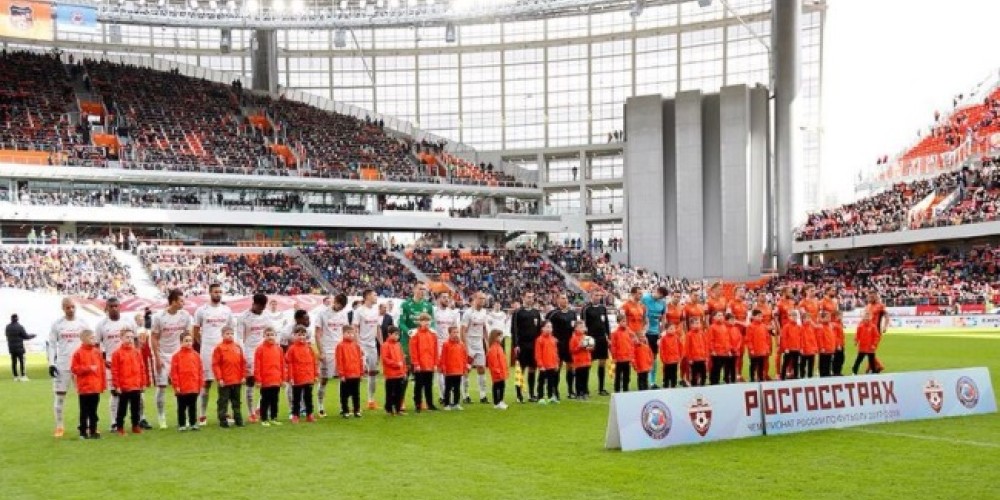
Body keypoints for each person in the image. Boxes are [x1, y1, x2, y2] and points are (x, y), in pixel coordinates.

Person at [192, 283, 234, 426]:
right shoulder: (201, 310)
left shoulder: (227, 310)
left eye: (220, 292)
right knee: (206, 383)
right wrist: (203, 342)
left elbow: (230, 329)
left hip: (224, 350)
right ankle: (202, 414)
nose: (218, 294)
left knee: (225, 382)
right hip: (207, 350)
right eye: (216, 292)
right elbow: (195, 330)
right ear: (210, 293)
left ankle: (225, 412)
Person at [152, 289, 193, 429]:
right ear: (173, 301)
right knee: (162, 386)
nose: (183, 303)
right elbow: (154, 337)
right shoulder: (159, 316)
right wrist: (157, 357)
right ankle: (161, 416)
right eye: (181, 300)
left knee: (183, 387)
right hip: (163, 354)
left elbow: (188, 334)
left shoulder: (185, 315)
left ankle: (185, 417)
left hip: (179, 355)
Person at [48, 297, 89, 438]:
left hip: (80, 365)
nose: (71, 310)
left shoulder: (82, 323)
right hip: (63, 365)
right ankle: (59, 426)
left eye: (72, 307)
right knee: (60, 396)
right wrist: (51, 364)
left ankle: (86, 425)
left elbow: (89, 341)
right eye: (68, 307)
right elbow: (52, 344)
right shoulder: (57, 325)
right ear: (63, 308)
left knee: (85, 397)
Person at [96, 297, 136, 431]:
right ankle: (114, 422)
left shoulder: (128, 322)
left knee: (136, 393)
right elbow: (97, 345)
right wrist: (103, 359)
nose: (114, 309)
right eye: (111, 306)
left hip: (129, 363)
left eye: (116, 306)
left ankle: (139, 419)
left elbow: (135, 341)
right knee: (115, 393)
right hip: (111, 363)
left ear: (120, 307)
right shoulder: (101, 325)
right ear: (106, 308)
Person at [397, 283, 435, 406]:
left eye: (424, 289)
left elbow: (432, 322)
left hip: (423, 345)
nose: (422, 291)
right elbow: (400, 322)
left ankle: (419, 401)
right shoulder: (405, 305)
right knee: (405, 374)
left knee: (421, 375)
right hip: (407, 344)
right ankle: (400, 401)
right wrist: (409, 331)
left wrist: (432, 330)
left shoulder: (428, 306)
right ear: (414, 289)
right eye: (420, 289)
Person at [239, 293, 271, 422]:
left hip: (264, 352)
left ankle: (259, 407)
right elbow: (240, 338)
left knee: (267, 381)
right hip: (250, 352)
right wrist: (244, 356)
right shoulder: (243, 317)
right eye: (259, 307)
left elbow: (271, 332)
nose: (261, 310)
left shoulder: (266, 315)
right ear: (254, 304)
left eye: (263, 308)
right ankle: (251, 412)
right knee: (251, 381)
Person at [315, 294, 348, 417]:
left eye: (343, 307)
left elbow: (346, 332)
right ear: (335, 301)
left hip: (341, 350)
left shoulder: (343, 314)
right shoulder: (322, 314)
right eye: (339, 305)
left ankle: (342, 406)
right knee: (324, 379)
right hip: (327, 350)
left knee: (343, 378)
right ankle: (320, 406)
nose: (340, 308)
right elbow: (317, 334)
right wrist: (321, 351)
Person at [111, 332, 147, 436]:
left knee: (136, 408)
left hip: (135, 385)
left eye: (131, 337)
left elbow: (142, 368)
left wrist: (143, 382)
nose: (129, 339)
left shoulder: (137, 352)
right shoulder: (117, 353)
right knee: (122, 408)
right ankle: (120, 427)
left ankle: (135, 425)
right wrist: (116, 385)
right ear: (121, 338)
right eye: (127, 337)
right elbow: (115, 371)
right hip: (124, 386)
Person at [70, 330, 105, 439]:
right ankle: (83, 432)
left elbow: (101, 370)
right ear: (84, 339)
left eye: (94, 337)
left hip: (95, 387)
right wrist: (88, 369)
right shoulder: (78, 353)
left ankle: (94, 430)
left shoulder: (97, 352)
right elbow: (74, 369)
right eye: (91, 338)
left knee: (94, 411)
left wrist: (102, 385)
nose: (94, 340)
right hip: (85, 388)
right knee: (84, 411)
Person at [351, 289, 382, 411]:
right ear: (368, 296)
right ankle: (354, 401)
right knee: (357, 374)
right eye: (375, 294)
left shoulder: (376, 310)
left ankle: (371, 400)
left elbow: (378, 328)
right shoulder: (359, 311)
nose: (376, 296)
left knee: (373, 373)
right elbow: (355, 327)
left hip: (372, 346)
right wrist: (358, 345)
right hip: (362, 346)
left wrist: (382, 344)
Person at [510, 291, 543, 402]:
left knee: (533, 369)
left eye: (532, 297)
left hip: (534, 345)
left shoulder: (536, 313)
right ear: (523, 298)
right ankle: (519, 395)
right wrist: (515, 345)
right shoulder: (518, 312)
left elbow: (539, 330)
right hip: (522, 345)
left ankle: (531, 394)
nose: (530, 299)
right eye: (528, 297)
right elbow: (514, 330)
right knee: (521, 370)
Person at [212, 326, 246, 428]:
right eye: (227, 333)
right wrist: (219, 378)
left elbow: (242, 363)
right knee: (223, 401)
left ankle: (238, 419)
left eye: (231, 333)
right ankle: (223, 421)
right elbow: (216, 364)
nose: (230, 335)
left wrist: (243, 376)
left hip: (236, 380)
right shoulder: (219, 348)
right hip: (225, 381)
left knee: (236, 401)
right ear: (222, 335)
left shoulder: (237, 347)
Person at [545, 293, 577, 399]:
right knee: (557, 368)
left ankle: (571, 390)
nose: (565, 300)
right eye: (563, 298)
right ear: (558, 300)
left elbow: (575, 329)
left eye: (566, 298)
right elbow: (546, 327)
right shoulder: (553, 314)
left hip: (570, 345)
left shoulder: (572, 313)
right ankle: (555, 391)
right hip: (558, 345)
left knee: (571, 368)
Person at [460, 292, 490, 404]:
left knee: (481, 368)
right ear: (475, 299)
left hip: (479, 343)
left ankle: (483, 395)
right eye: (481, 298)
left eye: (484, 299)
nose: (483, 301)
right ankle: (466, 395)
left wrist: (487, 344)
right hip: (469, 342)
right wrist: (465, 346)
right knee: (466, 369)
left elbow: (484, 329)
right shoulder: (468, 313)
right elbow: (462, 329)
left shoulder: (484, 312)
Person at [580, 289, 611, 396]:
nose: (598, 297)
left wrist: (609, 336)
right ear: (591, 296)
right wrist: (585, 339)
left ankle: (601, 388)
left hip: (602, 338)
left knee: (602, 363)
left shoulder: (603, 308)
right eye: (596, 295)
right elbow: (583, 326)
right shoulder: (586, 309)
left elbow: (606, 323)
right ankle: (585, 388)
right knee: (588, 363)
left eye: (599, 295)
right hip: (590, 338)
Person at [170, 335, 203, 432]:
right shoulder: (176, 356)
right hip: (182, 386)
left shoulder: (196, 355)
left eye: (190, 341)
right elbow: (174, 372)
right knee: (181, 407)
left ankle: (193, 423)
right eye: (186, 341)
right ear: (181, 342)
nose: (189, 343)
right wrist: (176, 385)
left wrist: (200, 384)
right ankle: (182, 424)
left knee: (193, 406)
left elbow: (200, 370)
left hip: (193, 385)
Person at [254, 327, 285, 426]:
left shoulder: (279, 349)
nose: (270, 337)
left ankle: (274, 417)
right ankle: (264, 419)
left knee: (275, 400)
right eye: (267, 335)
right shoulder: (260, 349)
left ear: (275, 336)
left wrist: (283, 379)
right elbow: (257, 366)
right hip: (265, 380)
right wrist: (258, 380)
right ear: (264, 336)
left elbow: (282, 365)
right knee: (265, 400)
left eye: (272, 335)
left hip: (276, 379)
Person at [286, 326, 318, 423]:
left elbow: (313, 362)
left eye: (303, 335)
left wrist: (315, 375)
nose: (301, 337)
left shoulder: (309, 348)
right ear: (294, 335)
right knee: (297, 398)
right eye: (299, 335)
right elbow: (289, 364)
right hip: (297, 378)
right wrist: (290, 377)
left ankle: (310, 414)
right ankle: (295, 415)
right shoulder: (291, 349)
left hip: (308, 377)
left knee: (308, 397)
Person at [433, 291, 460, 401]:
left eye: (447, 297)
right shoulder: (434, 312)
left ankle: (449, 393)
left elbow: (455, 329)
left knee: (450, 368)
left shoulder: (452, 313)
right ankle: (442, 395)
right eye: (444, 297)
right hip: (438, 343)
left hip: (450, 344)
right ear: (439, 299)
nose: (446, 299)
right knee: (440, 369)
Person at [409, 313, 439, 412]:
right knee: (418, 385)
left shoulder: (433, 334)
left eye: (428, 320)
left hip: (430, 364)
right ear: (420, 322)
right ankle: (418, 404)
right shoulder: (415, 334)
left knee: (429, 385)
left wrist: (435, 363)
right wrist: (416, 364)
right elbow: (413, 350)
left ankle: (430, 404)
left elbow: (435, 350)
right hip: (420, 365)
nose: (426, 322)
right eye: (424, 320)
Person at [640, 286, 667, 389]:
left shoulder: (662, 303)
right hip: (644, 332)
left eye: (662, 297)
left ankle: (652, 381)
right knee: (644, 356)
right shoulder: (645, 299)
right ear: (656, 291)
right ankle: (644, 380)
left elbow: (663, 317)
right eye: (660, 295)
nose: (660, 297)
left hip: (655, 333)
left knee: (654, 357)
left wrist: (661, 331)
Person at [336, 325, 364, 418]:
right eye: (348, 333)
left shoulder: (356, 346)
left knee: (356, 394)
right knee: (344, 395)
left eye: (352, 333)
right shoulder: (340, 346)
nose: (351, 335)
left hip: (356, 374)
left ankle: (357, 410)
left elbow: (360, 360)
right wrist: (341, 374)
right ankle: (345, 411)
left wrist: (361, 373)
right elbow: (339, 360)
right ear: (343, 334)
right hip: (346, 375)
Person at [439, 326, 468, 411]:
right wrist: (443, 367)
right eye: (454, 332)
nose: (456, 334)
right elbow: (443, 357)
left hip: (458, 370)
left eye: (457, 332)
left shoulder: (461, 344)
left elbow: (464, 357)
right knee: (448, 388)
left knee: (457, 388)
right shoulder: (446, 344)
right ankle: (446, 404)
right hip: (449, 370)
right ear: (450, 333)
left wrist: (464, 368)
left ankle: (456, 403)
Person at [381, 326, 406, 415]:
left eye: (398, 335)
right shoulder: (385, 345)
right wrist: (396, 364)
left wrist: (404, 370)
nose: (397, 336)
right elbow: (385, 359)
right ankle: (389, 409)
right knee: (390, 393)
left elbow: (402, 358)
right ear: (389, 334)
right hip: (390, 374)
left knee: (399, 392)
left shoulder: (398, 345)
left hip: (399, 373)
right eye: (395, 334)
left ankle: (398, 409)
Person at [534, 321, 559, 404]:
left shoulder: (553, 339)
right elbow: (538, 354)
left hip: (552, 365)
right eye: (547, 327)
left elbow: (555, 352)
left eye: (551, 327)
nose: (549, 329)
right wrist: (540, 365)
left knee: (551, 382)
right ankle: (540, 397)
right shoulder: (539, 340)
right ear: (542, 328)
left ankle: (550, 396)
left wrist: (556, 363)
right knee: (541, 382)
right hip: (544, 366)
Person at [609, 313, 634, 393]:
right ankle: (617, 390)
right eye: (623, 321)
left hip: (627, 358)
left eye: (625, 321)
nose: (625, 323)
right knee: (618, 376)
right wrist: (614, 357)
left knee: (627, 376)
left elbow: (631, 344)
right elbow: (613, 346)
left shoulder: (628, 332)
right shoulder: (615, 333)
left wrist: (631, 356)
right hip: (619, 359)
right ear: (618, 322)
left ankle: (626, 389)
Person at [6, 314, 35, 381]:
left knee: (14, 362)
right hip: (19, 347)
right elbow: (26, 336)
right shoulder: (20, 327)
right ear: (17, 319)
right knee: (22, 361)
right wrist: (32, 336)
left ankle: (15, 376)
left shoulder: (7, 327)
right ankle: (23, 375)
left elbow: (7, 335)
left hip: (11, 347)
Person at [568, 322, 592, 400]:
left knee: (585, 378)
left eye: (583, 327)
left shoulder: (586, 337)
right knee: (579, 378)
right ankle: (579, 393)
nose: (582, 328)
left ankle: (585, 392)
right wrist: (580, 346)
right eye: (580, 327)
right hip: (578, 362)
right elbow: (572, 350)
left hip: (586, 361)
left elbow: (590, 349)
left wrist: (590, 347)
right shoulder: (573, 338)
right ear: (575, 328)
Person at [485, 329, 509, 410]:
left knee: (502, 386)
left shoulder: (499, 347)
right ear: (495, 337)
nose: (501, 338)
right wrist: (497, 370)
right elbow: (493, 361)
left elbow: (503, 360)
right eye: (500, 336)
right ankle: (496, 402)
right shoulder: (493, 348)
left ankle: (501, 401)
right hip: (497, 372)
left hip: (501, 371)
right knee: (497, 386)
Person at [853, 310, 881, 375]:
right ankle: (854, 372)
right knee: (858, 360)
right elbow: (857, 335)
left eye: (868, 316)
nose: (866, 318)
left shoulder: (873, 326)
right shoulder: (860, 326)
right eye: (865, 316)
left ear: (870, 317)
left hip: (870, 348)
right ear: (863, 317)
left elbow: (877, 337)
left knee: (871, 361)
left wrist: (874, 345)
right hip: (862, 347)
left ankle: (874, 372)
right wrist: (856, 341)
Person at [746, 310, 770, 382]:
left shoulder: (763, 326)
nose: (760, 318)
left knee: (761, 365)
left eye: (761, 316)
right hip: (754, 350)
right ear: (753, 317)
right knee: (753, 365)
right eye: (758, 316)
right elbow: (748, 339)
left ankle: (761, 378)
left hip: (762, 350)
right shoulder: (750, 326)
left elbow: (767, 338)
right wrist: (751, 349)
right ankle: (752, 378)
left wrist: (767, 348)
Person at [684, 317, 709, 387]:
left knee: (704, 374)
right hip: (694, 359)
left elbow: (706, 345)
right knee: (694, 375)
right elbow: (687, 348)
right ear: (691, 325)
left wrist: (706, 356)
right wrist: (689, 358)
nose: (697, 325)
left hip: (702, 358)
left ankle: (703, 386)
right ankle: (694, 387)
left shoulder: (702, 333)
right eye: (696, 323)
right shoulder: (689, 335)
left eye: (698, 323)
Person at [708, 312, 731, 385]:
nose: (720, 317)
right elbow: (710, 340)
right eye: (718, 315)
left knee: (723, 368)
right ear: (714, 317)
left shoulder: (724, 327)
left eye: (721, 315)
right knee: (716, 369)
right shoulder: (712, 327)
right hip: (717, 352)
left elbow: (727, 339)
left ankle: (720, 382)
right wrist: (712, 350)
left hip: (724, 352)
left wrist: (728, 350)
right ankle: (713, 382)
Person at [779, 310, 802, 380]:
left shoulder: (799, 327)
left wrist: (800, 347)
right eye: (792, 316)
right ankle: (782, 377)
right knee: (785, 363)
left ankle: (796, 376)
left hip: (797, 348)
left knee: (796, 364)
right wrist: (785, 348)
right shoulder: (786, 327)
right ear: (789, 317)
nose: (794, 317)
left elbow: (800, 337)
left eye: (795, 316)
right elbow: (783, 338)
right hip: (788, 349)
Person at [798, 313, 819, 379]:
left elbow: (814, 338)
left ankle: (810, 376)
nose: (808, 320)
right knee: (802, 365)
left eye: (809, 318)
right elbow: (800, 339)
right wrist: (801, 348)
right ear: (803, 319)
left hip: (811, 349)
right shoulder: (800, 328)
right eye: (806, 318)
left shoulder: (812, 327)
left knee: (811, 365)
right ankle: (802, 376)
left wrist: (815, 347)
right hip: (804, 350)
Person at [817, 311, 836, 378]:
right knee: (823, 364)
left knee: (828, 363)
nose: (829, 318)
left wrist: (833, 346)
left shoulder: (830, 326)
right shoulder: (821, 326)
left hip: (830, 348)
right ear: (822, 318)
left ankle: (827, 375)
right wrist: (822, 348)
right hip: (824, 349)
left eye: (829, 317)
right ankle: (823, 376)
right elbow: (820, 338)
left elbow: (832, 337)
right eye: (827, 317)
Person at [831, 311, 846, 376]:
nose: (841, 317)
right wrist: (838, 345)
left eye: (841, 316)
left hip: (841, 344)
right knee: (838, 359)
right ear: (836, 316)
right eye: (839, 316)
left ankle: (838, 371)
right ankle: (836, 372)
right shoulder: (834, 324)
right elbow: (835, 336)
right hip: (837, 345)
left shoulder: (840, 324)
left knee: (841, 358)